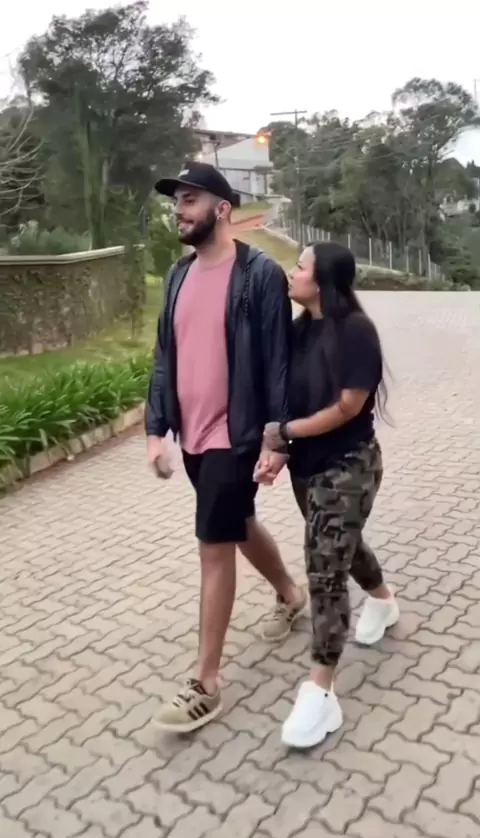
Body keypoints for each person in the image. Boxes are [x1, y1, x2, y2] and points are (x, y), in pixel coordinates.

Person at [145, 161, 306, 733]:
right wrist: (155, 430)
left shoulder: (258, 274)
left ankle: (206, 683)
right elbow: (164, 355)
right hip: (191, 433)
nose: (179, 210)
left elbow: (279, 360)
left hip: (233, 434)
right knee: (236, 524)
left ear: (222, 209)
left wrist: (277, 436)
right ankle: (290, 594)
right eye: (177, 201)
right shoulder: (178, 275)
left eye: (190, 200)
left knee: (213, 544)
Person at [256, 241, 399, 749]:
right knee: (341, 546)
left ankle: (320, 690)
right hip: (307, 468)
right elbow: (289, 404)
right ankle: (382, 600)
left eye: (300, 266)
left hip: (349, 465)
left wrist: (284, 434)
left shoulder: (355, 331)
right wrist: (278, 451)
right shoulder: (298, 332)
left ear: (323, 282)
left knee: (323, 569)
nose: (291, 273)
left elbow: (346, 408)